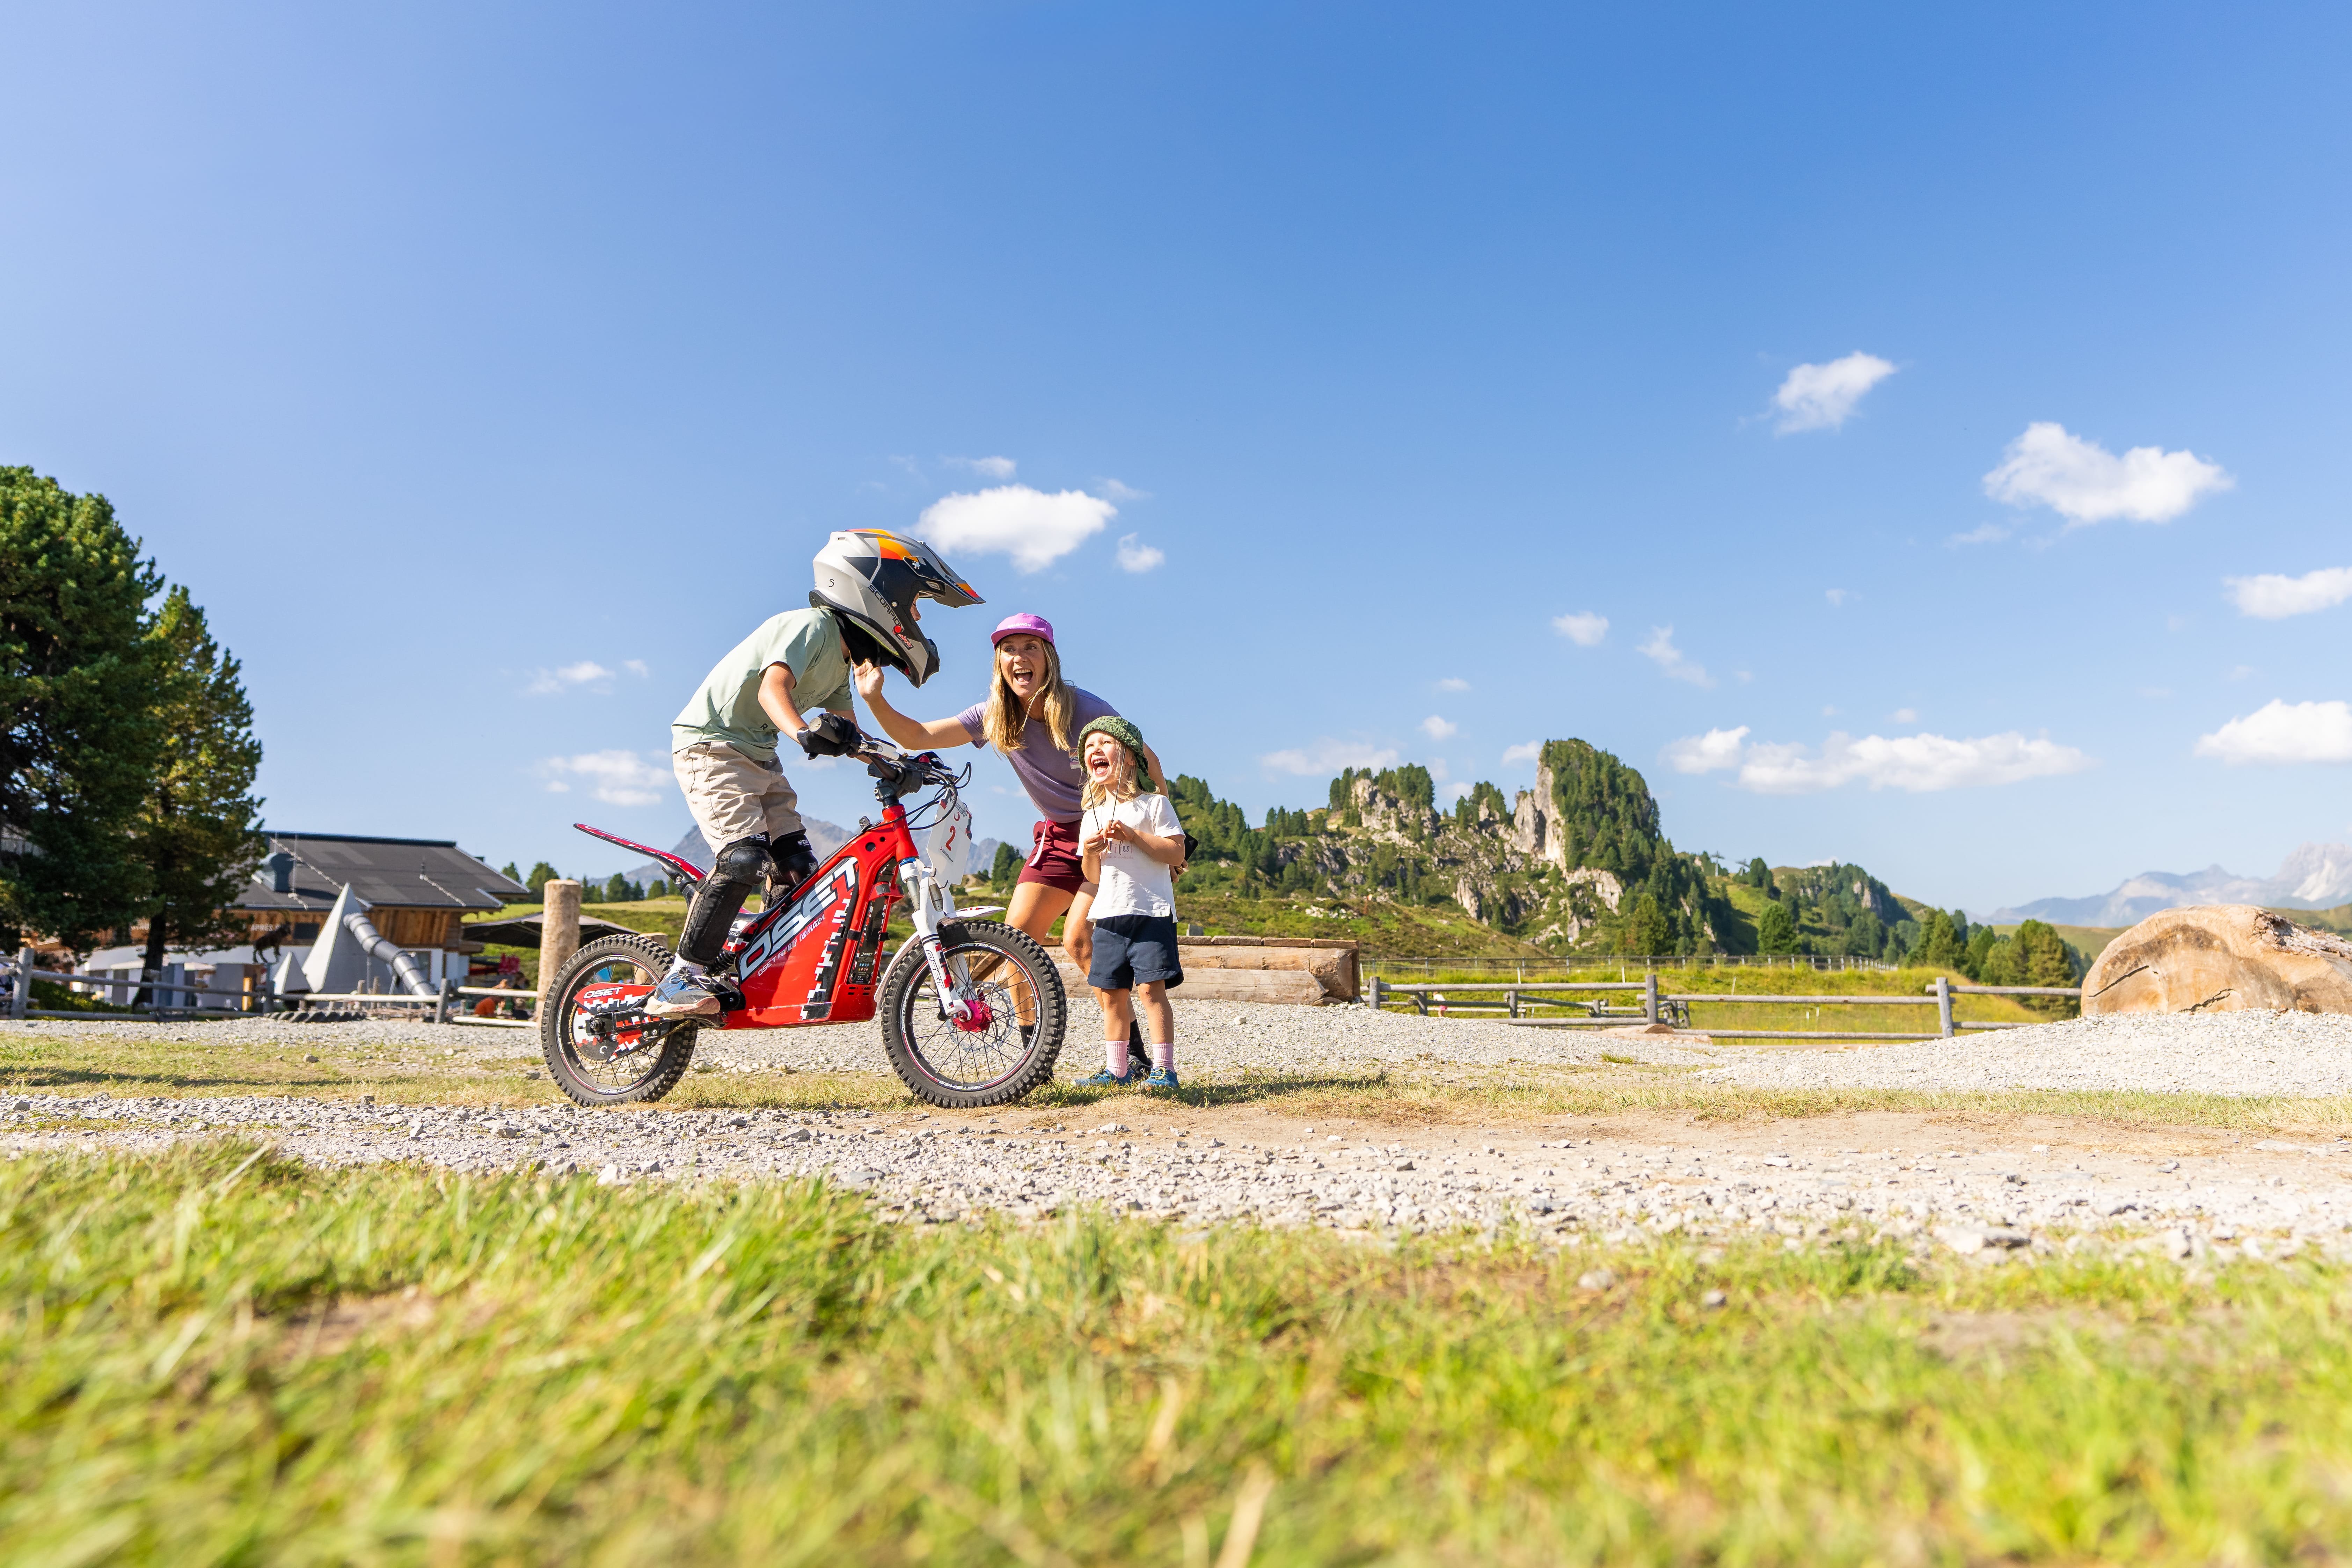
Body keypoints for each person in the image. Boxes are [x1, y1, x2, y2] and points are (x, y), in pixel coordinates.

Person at [645, 529, 983, 1018]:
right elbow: (772, 690)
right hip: (711, 747)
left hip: (759, 757)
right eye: (914, 606)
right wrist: (803, 731)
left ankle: (742, 954)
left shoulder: (839, 662)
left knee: (798, 870)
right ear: (880, 592)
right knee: (743, 859)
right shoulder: (812, 627)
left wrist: (897, 762)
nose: (916, 619)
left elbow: (852, 734)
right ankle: (680, 976)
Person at [855, 611, 1172, 1025]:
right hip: (1058, 836)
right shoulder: (994, 714)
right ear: (999, 662)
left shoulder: (1087, 710)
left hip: (1109, 831)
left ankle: (1130, 1055)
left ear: (1049, 658)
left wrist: (1166, 836)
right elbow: (917, 737)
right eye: (1009, 649)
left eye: (1030, 648)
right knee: (1015, 946)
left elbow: (1148, 761)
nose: (1019, 657)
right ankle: (1031, 1063)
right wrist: (873, 698)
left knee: (1078, 939)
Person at [1072, 716, 1186, 1090]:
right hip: (1107, 916)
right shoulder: (1091, 816)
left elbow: (1175, 852)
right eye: (1089, 746)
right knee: (1112, 994)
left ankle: (1164, 1069)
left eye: (1105, 743)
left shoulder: (1154, 805)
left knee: (1152, 991)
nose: (1095, 750)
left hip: (1150, 911)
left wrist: (1134, 837)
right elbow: (1092, 875)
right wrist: (1090, 851)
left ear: (1132, 758)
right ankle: (1117, 1070)